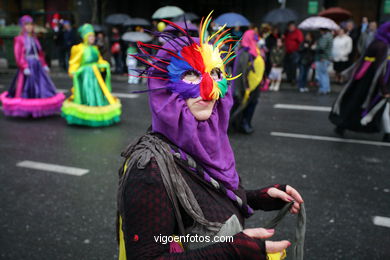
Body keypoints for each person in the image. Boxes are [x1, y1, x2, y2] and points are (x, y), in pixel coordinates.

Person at [117, 14, 304, 259]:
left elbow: (207, 196)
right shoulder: (150, 170)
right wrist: (231, 252)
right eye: (191, 75)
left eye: (215, 73)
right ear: (163, 88)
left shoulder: (209, 143)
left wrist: (259, 197)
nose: (209, 90)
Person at [329, 22, 390, 142]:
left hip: (363, 78)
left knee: (355, 103)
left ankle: (341, 125)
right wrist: (384, 89)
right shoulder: (383, 46)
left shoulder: (377, 42)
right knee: (377, 105)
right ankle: (387, 134)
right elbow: (379, 69)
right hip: (371, 82)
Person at [0, 15, 65, 117]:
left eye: (31, 25)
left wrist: (44, 65)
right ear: (23, 26)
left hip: (37, 66)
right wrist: (24, 66)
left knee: (41, 86)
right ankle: (26, 110)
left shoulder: (34, 39)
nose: (29, 27)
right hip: (27, 66)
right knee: (26, 87)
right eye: (27, 25)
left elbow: (39, 53)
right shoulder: (19, 39)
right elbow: (18, 55)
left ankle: (38, 109)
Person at [61, 24, 121, 127]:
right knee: (86, 93)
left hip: (95, 75)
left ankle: (96, 111)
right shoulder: (78, 48)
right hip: (86, 76)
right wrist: (73, 71)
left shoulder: (95, 49)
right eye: (90, 36)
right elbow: (74, 62)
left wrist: (104, 64)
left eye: (93, 36)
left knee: (96, 93)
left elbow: (99, 60)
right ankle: (84, 115)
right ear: (85, 37)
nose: (92, 38)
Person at [231, 29, 265, 134]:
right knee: (244, 105)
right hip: (247, 85)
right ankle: (242, 124)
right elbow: (241, 71)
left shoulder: (255, 49)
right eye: (253, 36)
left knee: (252, 104)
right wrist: (246, 87)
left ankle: (246, 123)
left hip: (255, 84)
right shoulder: (244, 52)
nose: (256, 38)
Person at [314, 28, 333, 94]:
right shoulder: (330, 36)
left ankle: (323, 89)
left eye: (320, 30)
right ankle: (327, 88)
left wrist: (316, 46)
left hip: (322, 58)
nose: (320, 32)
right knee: (325, 73)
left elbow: (322, 47)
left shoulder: (325, 37)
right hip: (326, 57)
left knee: (322, 74)